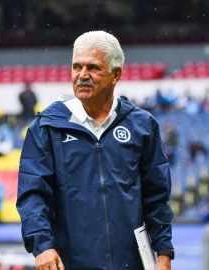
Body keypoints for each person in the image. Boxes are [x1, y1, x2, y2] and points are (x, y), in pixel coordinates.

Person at [17, 30, 174, 270]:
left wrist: (163, 252)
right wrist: (42, 246)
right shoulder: (46, 127)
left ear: (116, 74)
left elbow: (156, 196)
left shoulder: (142, 126)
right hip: (69, 263)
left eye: (93, 68)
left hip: (131, 263)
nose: (82, 76)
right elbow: (33, 194)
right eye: (76, 67)